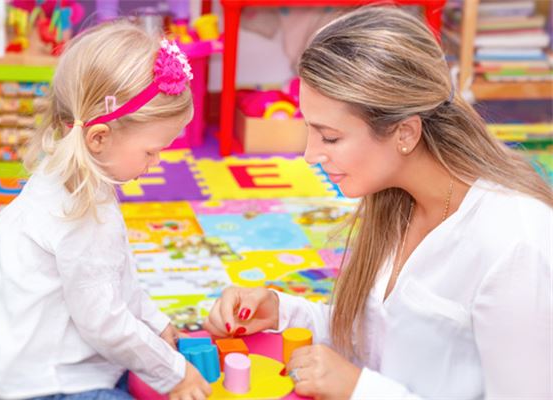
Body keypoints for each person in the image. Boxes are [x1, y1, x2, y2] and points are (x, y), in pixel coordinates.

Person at [204, 7, 553, 400]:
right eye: (310, 131)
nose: (309, 155)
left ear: (405, 133)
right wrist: (281, 311)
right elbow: (377, 336)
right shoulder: (398, 199)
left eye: (330, 137)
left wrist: (359, 389)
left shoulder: (516, 244)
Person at [0, 21, 212, 400]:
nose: (157, 162)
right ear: (99, 138)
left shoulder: (64, 175)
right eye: (151, 151)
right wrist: (175, 374)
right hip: (37, 386)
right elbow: (105, 325)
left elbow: (114, 280)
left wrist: (155, 323)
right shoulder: (82, 216)